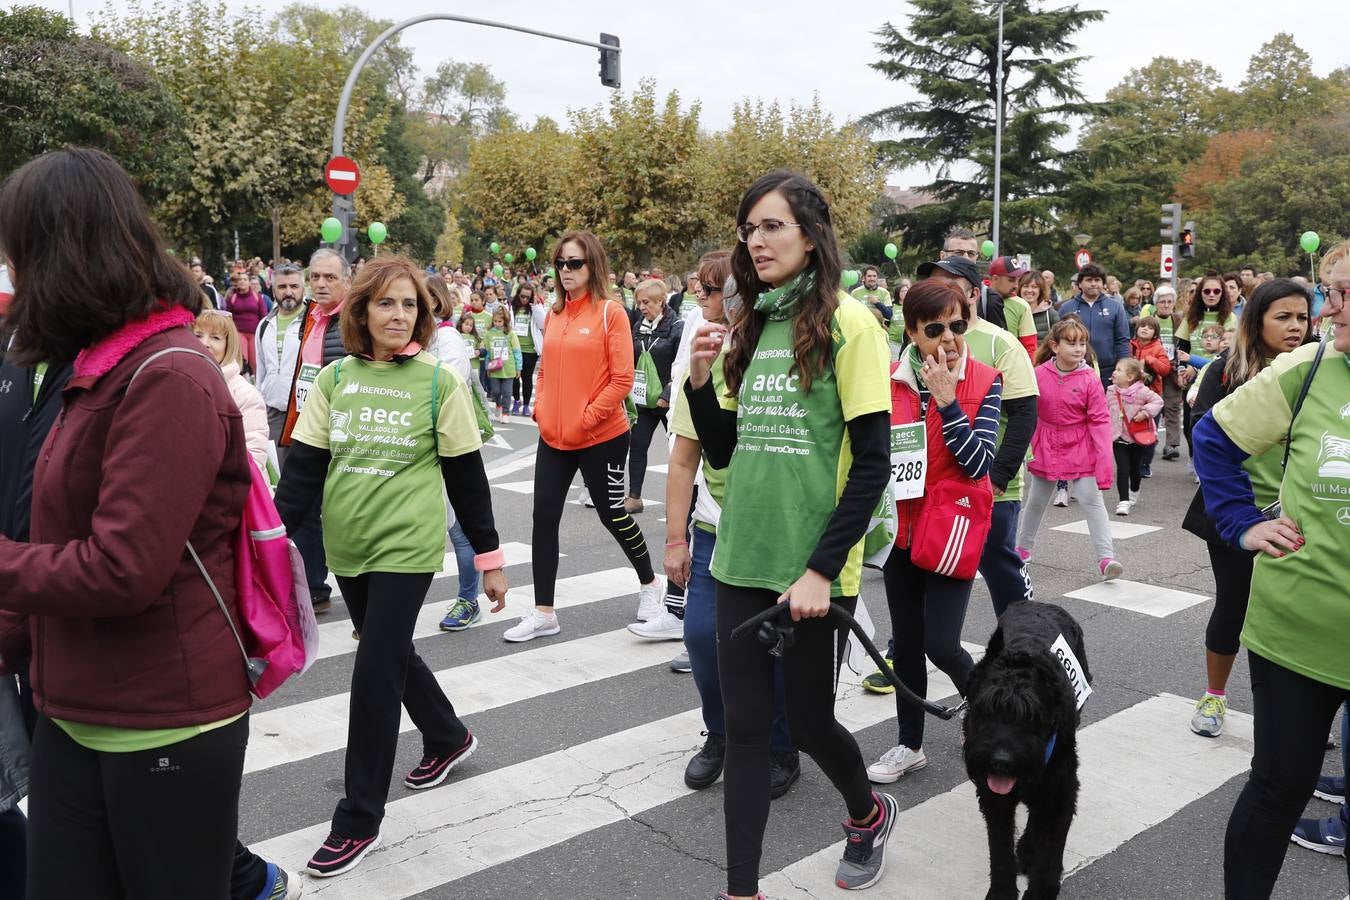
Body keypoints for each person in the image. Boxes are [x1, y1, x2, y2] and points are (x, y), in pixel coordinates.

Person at [0, 146, 260, 898]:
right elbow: (49, 539)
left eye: (21, 254)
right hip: (73, 709)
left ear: (62, 256)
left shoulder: (168, 374)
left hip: (163, 721)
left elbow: (123, 568)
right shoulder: (96, 366)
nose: (13, 276)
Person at [684, 170, 897, 896]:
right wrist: (699, 382)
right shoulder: (757, 322)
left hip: (810, 569)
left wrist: (820, 569)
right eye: (750, 228)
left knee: (807, 725)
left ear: (811, 233)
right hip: (741, 556)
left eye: (773, 225)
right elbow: (723, 449)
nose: (758, 239)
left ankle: (867, 813)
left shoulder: (851, 323)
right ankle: (741, 888)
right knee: (745, 730)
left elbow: (872, 466)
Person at [273, 255, 508, 878]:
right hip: (349, 548)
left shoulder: (439, 384)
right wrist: (266, 544)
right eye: (387, 304)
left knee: (374, 671)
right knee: (393, 652)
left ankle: (358, 819)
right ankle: (446, 735)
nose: (400, 315)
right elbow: (301, 474)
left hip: (407, 550)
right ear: (361, 312)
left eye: (410, 305)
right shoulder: (333, 380)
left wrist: (488, 558)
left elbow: (466, 475)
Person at [1192, 244, 1349, 897]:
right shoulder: (1310, 369)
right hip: (1295, 633)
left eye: (1341, 294)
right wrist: (1242, 522)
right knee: (1277, 787)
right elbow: (1213, 437)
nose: (1327, 310)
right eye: (1328, 293)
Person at [655, 250, 803, 798]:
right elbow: (688, 458)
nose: (718, 303)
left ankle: (781, 744)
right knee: (701, 637)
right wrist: (675, 539)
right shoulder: (703, 358)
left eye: (724, 292)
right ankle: (719, 733)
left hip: (778, 531)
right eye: (721, 293)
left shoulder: (791, 352)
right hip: (715, 529)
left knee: (777, 645)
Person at [866, 280, 1002, 784]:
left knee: (942, 644)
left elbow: (977, 461)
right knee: (905, 646)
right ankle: (909, 745)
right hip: (901, 532)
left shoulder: (986, 379)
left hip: (950, 531)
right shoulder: (889, 380)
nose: (948, 338)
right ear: (911, 332)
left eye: (957, 325)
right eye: (935, 328)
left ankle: (991, 713)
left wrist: (948, 404)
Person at [505, 231, 665, 643]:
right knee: (544, 518)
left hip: (602, 437)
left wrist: (588, 417)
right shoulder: (555, 313)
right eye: (560, 263)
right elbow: (543, 367)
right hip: (554, 438)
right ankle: (544, 612)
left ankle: (651, 586)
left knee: (614, 515)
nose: (565, 270)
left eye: (574, 263)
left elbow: (622, 379)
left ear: (592, 265)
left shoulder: (610, 313)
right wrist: (540, 407)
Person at [1182, 278, 1311, 740]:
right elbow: (1202, 436)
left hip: (1300, 515)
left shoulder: (1319, 369)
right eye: (1283, 317)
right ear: (1257, 322)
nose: (1296, 327)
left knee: (1292, 615)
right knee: (1234, 604)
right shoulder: (1225, 370)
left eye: (1302, 317)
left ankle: (1295, 714)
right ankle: (1214, 696)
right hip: (1235, 515)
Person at [915, 255, 1038, 618]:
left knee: (1000, 569)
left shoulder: (1001, 343)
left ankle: (1026, 643)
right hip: (933, 487)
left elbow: (1024, 414)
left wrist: (997, 477)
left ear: (972, 293)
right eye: (932, 284)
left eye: (948, 285)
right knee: (927, 564)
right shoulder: (921, 341)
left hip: (989, 487)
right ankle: (903, 647)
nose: (938, 292)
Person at [1016, 317, 1122, 580]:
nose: (1078, 349)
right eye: (1071, 343)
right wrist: (1022, 447)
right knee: (1036, 501)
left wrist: (1104, 461)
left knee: (1091, 498)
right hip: (1046, 443)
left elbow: (1099, 420)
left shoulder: (1089, 379)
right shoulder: (1038, 373)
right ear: (1054, 345)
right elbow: (1026, 412)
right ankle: (1022, 550)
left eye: (1082, 343)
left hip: (1080, 444)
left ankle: (1106, 558)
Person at [625, 278, 683, 514]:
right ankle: (634, 497)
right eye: (639, 302)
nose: (641, 307)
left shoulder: (677, 327)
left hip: (668, 402)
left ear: (661, 301)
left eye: (646, 302)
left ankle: (681, 503)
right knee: (637, 447)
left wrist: (667, 394)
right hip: (643, 401)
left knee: (679, 454)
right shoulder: (638, 327)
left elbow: (681, 365)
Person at [192, 310, 270, 474]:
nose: (204, 343)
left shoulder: (245, 395)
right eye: (198, 335)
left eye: (215, 337)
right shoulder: (181, 385)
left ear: (229, 346)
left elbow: (254, 459)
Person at [254, 263, 307, 461]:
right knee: (277, 473)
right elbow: (261, 372)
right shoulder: (265, 325)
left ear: (303, 287)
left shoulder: (313, 322)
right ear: (273, 289)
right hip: (273, 413)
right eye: (282, 287)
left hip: (304, 414)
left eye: (294, 286)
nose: (288, 292)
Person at [1058, 263, 1131, 388]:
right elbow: (1058, 339)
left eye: (1097, 280)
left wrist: (1123, 368)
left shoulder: (1115, 307)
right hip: (1074, 369)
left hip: (1107, 370)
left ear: (1103, 284)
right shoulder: (1066, 307)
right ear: (1080, 284)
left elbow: (1122, 340)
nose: (1093, 283)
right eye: (1089, 280)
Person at [1106, 358, 1162, 516]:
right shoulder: (1111, 391)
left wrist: (1144, 413)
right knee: (1122, 469)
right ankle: (1123, 501)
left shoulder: (1142, 391)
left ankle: (1135, 489)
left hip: (1138, 438)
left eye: (1119, 370)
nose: (1114, 372)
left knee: (1135, 470)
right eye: (1115, 369)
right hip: (1118, 437)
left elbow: (1158, 401)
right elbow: (1105, 409)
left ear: (1130, 377)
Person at [1140, 284, 1185, 462]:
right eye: (1162, 302)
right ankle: (1148, 440)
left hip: (1172, 368)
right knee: (1151, 407)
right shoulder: (1149, 321)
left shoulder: (1179, 321)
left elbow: (1184, 344)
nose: (1166, 305)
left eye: (1169, 302)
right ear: (1156, 303)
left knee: (1172, 406)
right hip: (1151, 370)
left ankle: (1171, 445)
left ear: (1174, 303)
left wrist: (1182, 368)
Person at [941, 227, 1006, 331]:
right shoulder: (927, 295)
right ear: (943, 256)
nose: (966, 258)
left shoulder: (989, 299)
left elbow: (1000, 341)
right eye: (958, 253)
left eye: (971, 254)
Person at [986, 256, 1039, 355]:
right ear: (995, 279)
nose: (1016, 285)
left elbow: (1029, 347)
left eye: (1017, 280)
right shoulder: (975, 298)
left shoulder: (1021, 306)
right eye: (1011, 280)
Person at [510, 281, 546, 415]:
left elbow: (543, 323)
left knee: (527, 378)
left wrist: (536, 306)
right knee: (514, 377)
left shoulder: (536, 307)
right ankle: (516, 401)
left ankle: (526, 405)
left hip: (530, 349)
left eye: (527, 297)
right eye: (522, 296)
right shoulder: (512, 306)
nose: (524, 299)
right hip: (515, 348)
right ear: (518, 294)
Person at [482, 306, 522, 422]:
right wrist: (487, 367)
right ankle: (498, 405)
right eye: (495, 321)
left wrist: (518, 368)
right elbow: (488, 352)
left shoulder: (511, 334)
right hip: (495, 368)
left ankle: (505, 413)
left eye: (500, 321)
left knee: (507, 392)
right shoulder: (489, 334)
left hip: (508, 368)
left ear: (505, 321)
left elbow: (517, 351)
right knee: (495, 392)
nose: (497, 323)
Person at [222, 270, 266, 374]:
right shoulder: (232, 298)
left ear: (249, 282)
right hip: (239, 332)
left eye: (245, 279)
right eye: (240, 279)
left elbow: (263, 315)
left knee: (255, 362)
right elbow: (228, 316)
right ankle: (243, 384)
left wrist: (263, 332)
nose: (242, 281)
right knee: (242, 361)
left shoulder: (256, 297)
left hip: (254, 333)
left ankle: (257, 384)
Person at [1019, 270, 1059, 342]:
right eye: (1026, 286)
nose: (1029, 290)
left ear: (1040, 290)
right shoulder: (1013, 313)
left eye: (1034, 287)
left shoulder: (1051, 315)